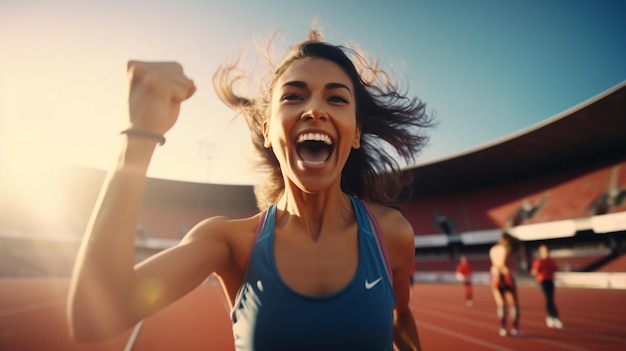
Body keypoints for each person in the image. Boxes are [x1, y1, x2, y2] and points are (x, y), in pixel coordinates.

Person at [66, 29, 434, 351]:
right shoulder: (231, 242)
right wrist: (140, 134)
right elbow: (94, 317)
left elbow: (400, 316)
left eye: (336, 98)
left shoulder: (392, 234)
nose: (314, 109)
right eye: (293, 96)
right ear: (267, 132)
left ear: (355, 133)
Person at [489, 232, 521, 337]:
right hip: (505, 276)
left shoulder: (492, 250)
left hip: (495, 277)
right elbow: (502, 264)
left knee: (501, 304)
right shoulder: (505, 249)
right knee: (513, 303)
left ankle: (503, 328)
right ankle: (515, 328)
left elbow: (494, 265)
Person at [531, 244, 563, 329]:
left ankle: (551, 316)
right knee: (549, 299)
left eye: (547, 251)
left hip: (550, 280)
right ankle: (553, 317)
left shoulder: (550, 261)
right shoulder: (538, 261)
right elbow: (534, 272)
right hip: (543, 281)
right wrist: (538, 273)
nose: (546, 252)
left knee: (551, 299)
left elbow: (555, 269)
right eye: (544, 251)